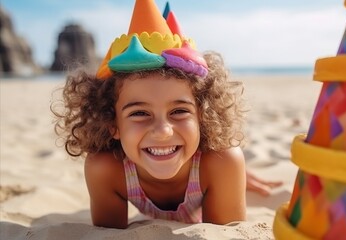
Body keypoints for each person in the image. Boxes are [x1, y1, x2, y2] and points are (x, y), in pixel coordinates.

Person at [52, 0, 281, 229]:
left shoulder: (221, 163)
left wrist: (233, 176)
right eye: (140, 113)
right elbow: (110, 233)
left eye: (179, 111)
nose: (163, 131)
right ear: (112, 123)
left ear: (202, 116)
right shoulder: (106, 169)